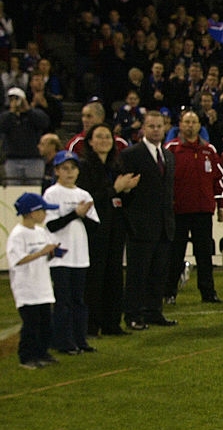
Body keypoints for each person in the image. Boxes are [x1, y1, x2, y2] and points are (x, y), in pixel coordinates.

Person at [76, 123, 139, 337]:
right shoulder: (84, 168)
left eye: (108, 137)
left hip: (115, 227)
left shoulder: (115, 167)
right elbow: (88, 199)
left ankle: (112, 323)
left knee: (113, 276)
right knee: (95, 277)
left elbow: (120, 200)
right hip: (95, 230)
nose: (104, 141)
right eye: (99, 137)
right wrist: (116, 189)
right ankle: (91, 326)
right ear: (90, 141)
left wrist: (127, 190)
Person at [120, 110, 177, 330]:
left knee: (158, 272)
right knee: (137, 274)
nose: (155, 130)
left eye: (159, 126)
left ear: (165, 127)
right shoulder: (131, 155)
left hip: (164, 225)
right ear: (143, 128)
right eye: (151, 126)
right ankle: (133, 314)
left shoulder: (168, 156)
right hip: (140, 226)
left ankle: (154, 312)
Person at [164, 109, 223, 305]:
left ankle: (208, 292)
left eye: (194, 122)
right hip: (178, 211)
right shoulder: (171, 150)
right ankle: (169, 292)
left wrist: (221, 204)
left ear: (200, 126)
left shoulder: (209, 150)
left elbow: (219, 180)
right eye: (187, 122)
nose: (190, 125)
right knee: (175, 254)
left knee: (205, 255)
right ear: (180, 125)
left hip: (203, 211)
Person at [44, 151, 99, 355]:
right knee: (63, 300)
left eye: (73, 168)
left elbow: (95, 227)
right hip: (60, 255)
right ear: (57, 171)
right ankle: (62, 341)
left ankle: (80, 339)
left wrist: (82, 216)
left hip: (80, 255)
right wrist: (75, 214)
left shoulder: (83, 195)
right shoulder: (52, 194)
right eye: (64, 168)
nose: (69, 172)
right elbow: (51, 224)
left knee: (78, 299)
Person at [7, 193, 61, 369]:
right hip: (27, 288)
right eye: (42, 210)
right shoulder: (18, 235)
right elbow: (18, 259)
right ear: (31, 213)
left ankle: (42, 352)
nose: (45, 214)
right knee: (31, 325)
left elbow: (46, 254)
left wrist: (52, 253)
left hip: (43, 286)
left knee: (46, 323)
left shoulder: (40, 232)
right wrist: (41, 252)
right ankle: (27, 357)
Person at [1, 86, 50, 182]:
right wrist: (12, 113)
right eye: (11, 99)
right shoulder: (6, 116)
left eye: (17, 99)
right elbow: (2, 126)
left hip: (34, 159)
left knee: (35, 189)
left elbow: (44, 123)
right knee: (13, 191)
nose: (14, 101)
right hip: (12, 160)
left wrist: (28, 110)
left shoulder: (34, 114)